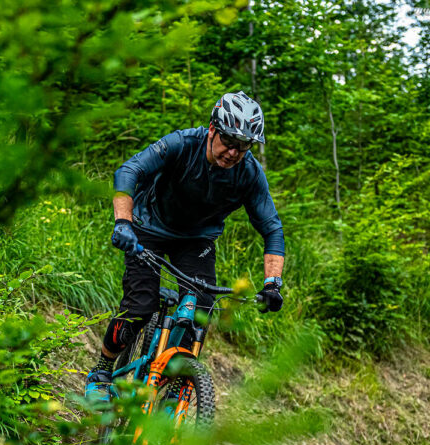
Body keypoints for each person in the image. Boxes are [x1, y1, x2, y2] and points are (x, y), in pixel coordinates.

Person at [85, 91, 285, 400]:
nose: (233, 152)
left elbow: (272, 229)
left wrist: (272, 284)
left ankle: (176, 386)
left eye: (243, 145)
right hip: (148, 228)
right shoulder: (182, 144)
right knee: (140, 306)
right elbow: (128, 170)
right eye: (228, 140)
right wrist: (123, 222)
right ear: (212, 129)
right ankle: (101, 371)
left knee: (201, 311)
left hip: (196, 241)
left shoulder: (249, 174)